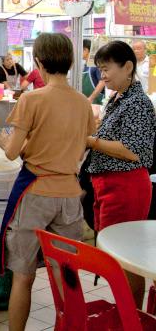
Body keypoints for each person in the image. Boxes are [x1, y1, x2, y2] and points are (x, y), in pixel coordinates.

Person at [0, 33, 95, 331]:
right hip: (70, 196)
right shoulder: (82, 103)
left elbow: (13, 152)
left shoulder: (32, 99)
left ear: (38, 62)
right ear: (71, 61)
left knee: (23, 276)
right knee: (66, 274)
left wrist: (1, 139)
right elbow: (80, 143)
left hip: (35, 194)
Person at [86, 40, 155, 306]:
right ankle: (127, 312)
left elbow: (132, 151)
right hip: (109, 185)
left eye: (106, 69)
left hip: (126, 187)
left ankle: (131, 316)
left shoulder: (137, 103)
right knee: (115, 255)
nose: (102, 75)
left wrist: (90, 141)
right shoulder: (118, 99)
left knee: (126, 258)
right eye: (100, 70)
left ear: (128, 67)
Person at [82, 39, 105, 105]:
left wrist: (91, 98)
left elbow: (102, 82)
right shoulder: (85, 66)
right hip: (86, 102)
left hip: (95, 102)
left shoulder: (95, 65)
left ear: (85, 50)